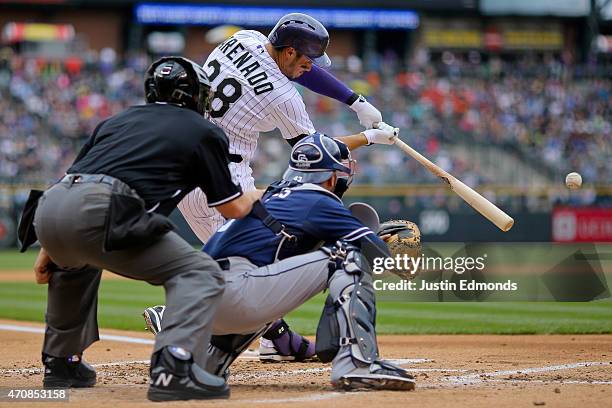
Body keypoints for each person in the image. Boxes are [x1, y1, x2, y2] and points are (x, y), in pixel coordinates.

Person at [144, 13, 399, 362]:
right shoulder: (282, 97)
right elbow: (313, 152)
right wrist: (368, 138)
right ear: (290, 52)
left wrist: (354, 100)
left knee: (262, 262)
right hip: (221, 181)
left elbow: (300, 71)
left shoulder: (244, 39)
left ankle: (274, 340)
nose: (309, 67)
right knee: (267, 261)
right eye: (306, 59)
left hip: (190, 166)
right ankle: (178, 318)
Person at [27, 56, 263, 401]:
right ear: (192, 94)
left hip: (50, 208)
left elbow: (72, 178)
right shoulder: (204, 130)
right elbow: (234, 207)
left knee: (75, 264)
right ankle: (174, 367)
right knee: (199, 272)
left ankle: (61, 363)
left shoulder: (117, 120)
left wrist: (51, 247)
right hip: (103, 208)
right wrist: (261, 192)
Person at [145, 133, 416, 391]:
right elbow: (381, 259)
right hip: (234, 295)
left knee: (260, 277)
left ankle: (202, 364)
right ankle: (357, 364)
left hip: (197, 303)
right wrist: (385, 245)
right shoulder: (317, 199)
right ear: (332, 178)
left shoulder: (274, 194)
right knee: (348, 256)